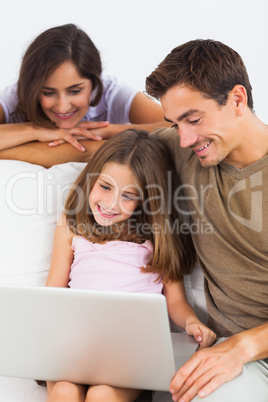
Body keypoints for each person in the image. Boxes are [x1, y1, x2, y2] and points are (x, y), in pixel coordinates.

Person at [45, 129, 216, 402]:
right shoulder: (71, 225)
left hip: (129, 350)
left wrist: (192, 322)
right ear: (90, 180)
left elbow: (175, 303)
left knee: (102, 395)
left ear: (145, 200)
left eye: (128, 195)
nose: (111, 204)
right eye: (105, 186)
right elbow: (53, 290)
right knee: (65, 391)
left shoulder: (156, 237)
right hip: (75, 344)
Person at [145, 39, 268, 401]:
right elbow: (83, 144)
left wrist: (242, 348)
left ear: (237, 99)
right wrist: (37, 132)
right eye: (174, 123)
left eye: (193, 119)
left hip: (243, 351)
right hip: (241, 361)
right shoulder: (186, 150)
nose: (183, 138)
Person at [0, 24, 169, 166]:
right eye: (48, 93)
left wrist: (107, 131)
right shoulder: (14, 97)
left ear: (95, 83)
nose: (63, 106)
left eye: (75, 91)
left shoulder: (112, 92)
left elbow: (176, 127)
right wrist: (36, 130)